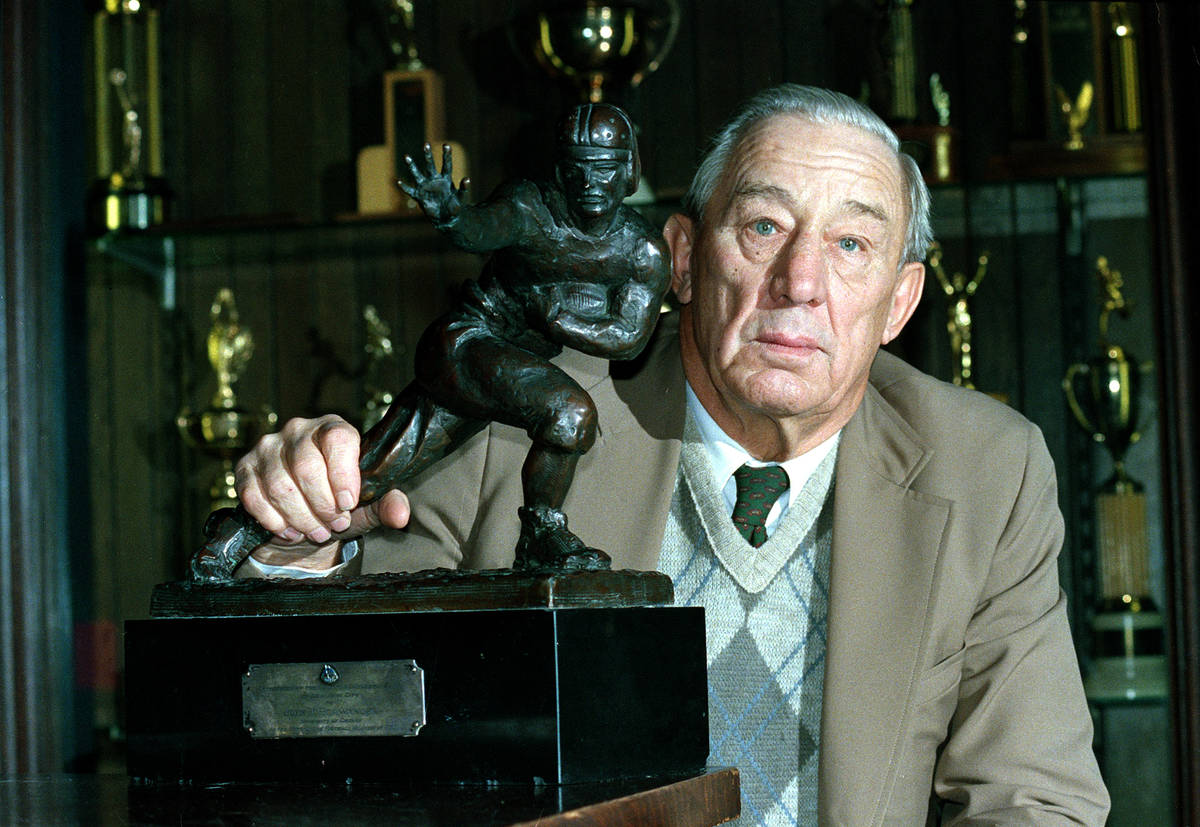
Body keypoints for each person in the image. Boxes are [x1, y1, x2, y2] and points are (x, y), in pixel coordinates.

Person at [235, 85, 1110, 823]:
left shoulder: (986, 471)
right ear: (684, 259)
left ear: (899, 301)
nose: (800, 281)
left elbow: (1034, 796)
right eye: (765, 226)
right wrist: (301, 542)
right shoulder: (514, 420)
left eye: (851, 244)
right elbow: (340, 706)